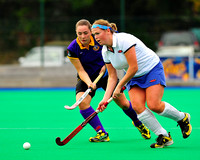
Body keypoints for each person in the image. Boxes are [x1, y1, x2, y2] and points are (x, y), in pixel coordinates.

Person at [91, 19, 192, 148]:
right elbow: (112, 76)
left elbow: (133, 67)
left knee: (154, 105)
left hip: (151, 69)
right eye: (94, 35)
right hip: (134, 77)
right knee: (138, 107)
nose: (96, 38)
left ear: (108, 31)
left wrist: (119, 86)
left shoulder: (124, 40)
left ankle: (182, 118)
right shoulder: (105, 51)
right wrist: (104, 100)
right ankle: (163, 136)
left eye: (97, 33)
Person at [66, 19, 151, 142]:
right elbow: (80, 71)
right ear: (76, 33)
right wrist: (89, 83)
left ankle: (138, 123)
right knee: (83, 103)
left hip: (107, 76)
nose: (83, 36)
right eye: (79, 33)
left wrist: (106, 66)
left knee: (124, 103)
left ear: (91, 31)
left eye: (85, 33)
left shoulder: (99, 39)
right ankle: (101, 133)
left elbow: (112, 54)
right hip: (87, 78)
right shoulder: (72, 48)